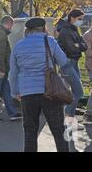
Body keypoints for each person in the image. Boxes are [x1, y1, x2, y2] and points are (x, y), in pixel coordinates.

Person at [9, 17, 69, 152]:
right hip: (50, 91)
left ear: (28, 30)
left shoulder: (18, 46)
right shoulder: (50, 41)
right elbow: (63, 60)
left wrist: (15, 92)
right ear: (43, 28)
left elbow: (13, 72)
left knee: (30, 131)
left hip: (27, 93)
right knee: (58, 130)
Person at [58, 9, 88, 123]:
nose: (81, 21)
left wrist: (78, 44)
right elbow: (71, 48)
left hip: (74, 62)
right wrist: (79, 45)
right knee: (79, 92)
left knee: (73, 92)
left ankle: (68, 117)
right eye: (79, 19)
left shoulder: (74, 29)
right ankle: (68, 116)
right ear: (72, 18)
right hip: (68, 63)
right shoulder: (65, 31)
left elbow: (85, 46)